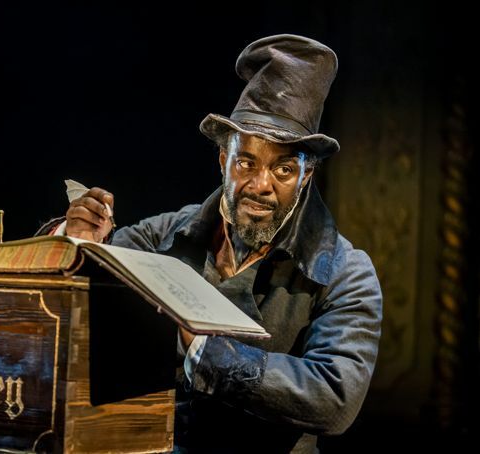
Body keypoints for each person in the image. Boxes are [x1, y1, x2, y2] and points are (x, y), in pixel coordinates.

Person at [37, 34, 382, 453]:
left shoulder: (343, 271)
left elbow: (335, 396)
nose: (261, 185)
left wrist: (204, 350)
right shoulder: (170, 233)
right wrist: (77, 240)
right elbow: (85, 281)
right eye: (246, 162)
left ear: (306, 176)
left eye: (284, 169)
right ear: (223, 160)